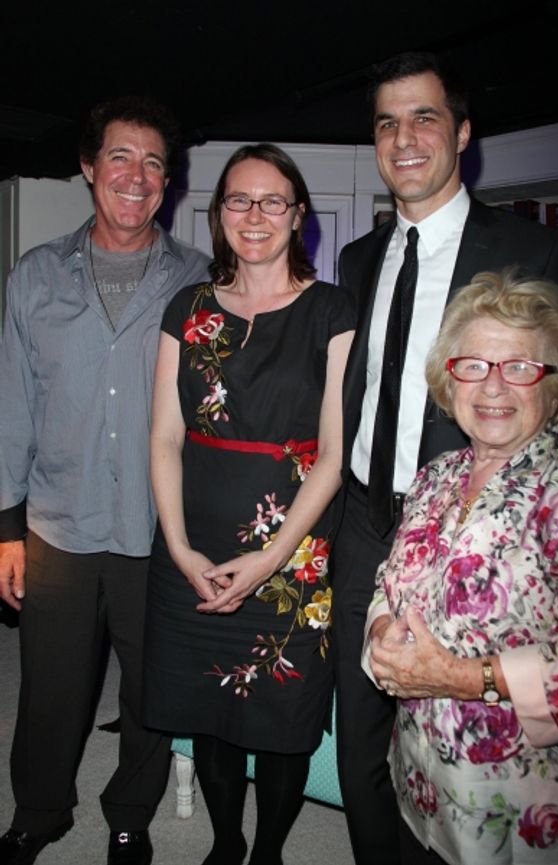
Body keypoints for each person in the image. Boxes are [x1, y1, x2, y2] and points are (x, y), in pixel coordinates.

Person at [332, 50, 558, 865]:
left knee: (483, 720)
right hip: (366, 520)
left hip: (483, 528)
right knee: (362, 741)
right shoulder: (357, 259)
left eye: (425, 117)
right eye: (386, 122)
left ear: (462, 133)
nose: (403, 138)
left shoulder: (530, 248)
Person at [0, 96, 210, 865]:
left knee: (150, 690)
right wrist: (5, 529)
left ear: (167, 182)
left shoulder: (197, 279)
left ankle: (129, 815)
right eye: (120, 156)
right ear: (89, 167)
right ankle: (40, 810)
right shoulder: (35, 275)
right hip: (58, 525)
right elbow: (12, 403)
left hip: (158, 528)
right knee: (50, 686)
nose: (137, 176)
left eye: (154, 163)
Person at [142, 143, 354, 865]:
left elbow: (334, 454)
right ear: (219, 212)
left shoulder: (334, 310)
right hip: (192, 545)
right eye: (239, 199)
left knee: (284, 717)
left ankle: (267, 852)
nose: (255, 214)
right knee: (208, 708)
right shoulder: (187, 306)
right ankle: (226, 843)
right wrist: (178, 548)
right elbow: (165, 435)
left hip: (293, 551)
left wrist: (270, 558)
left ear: (298, 215)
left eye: (272, 201)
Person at [363, 270, 558, 865]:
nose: (493, 385)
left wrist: (456, 677)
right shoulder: (435, 476)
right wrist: (381, 634)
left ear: (554, 384)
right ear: (450, 381)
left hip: (523, 814)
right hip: (421, 788)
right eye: (473, 365)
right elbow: (388, 582)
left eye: (519, 366)